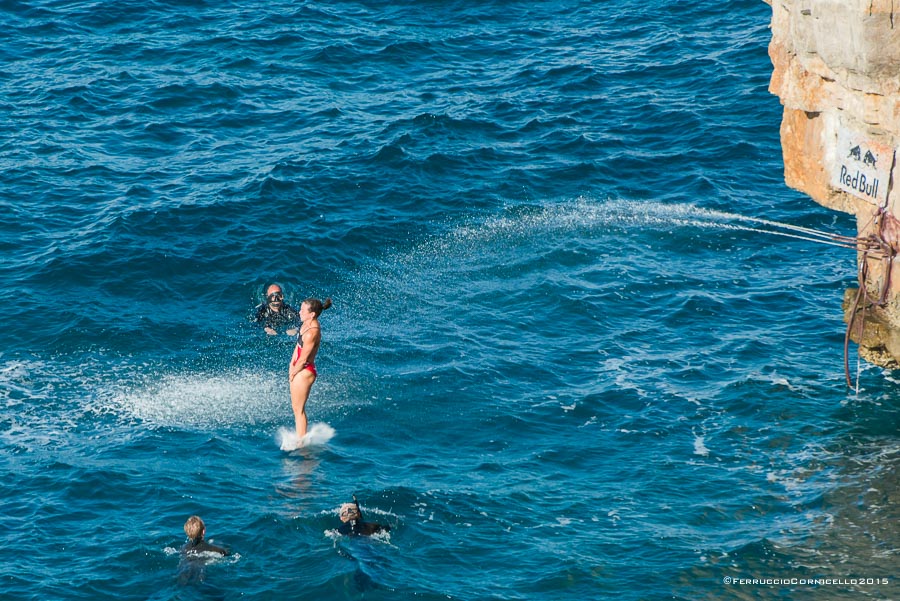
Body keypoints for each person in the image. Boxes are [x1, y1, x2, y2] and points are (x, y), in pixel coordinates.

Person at [288, 297, 332, 439]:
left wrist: (293, 373)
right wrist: (291, 365)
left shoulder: (312, 332)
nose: (299, 312)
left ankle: (301, 442)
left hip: (305, 371)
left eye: (302, 310)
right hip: (298, 369)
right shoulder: (304, 325)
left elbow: (304, 359)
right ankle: (301, 436)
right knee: (296, 408)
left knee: (298, 409)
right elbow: (297, 348)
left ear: (312, 314)